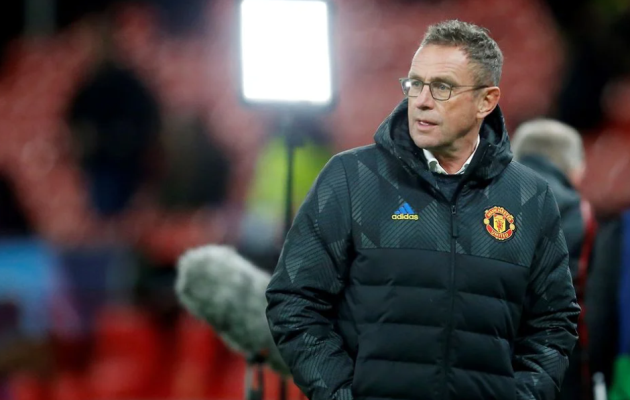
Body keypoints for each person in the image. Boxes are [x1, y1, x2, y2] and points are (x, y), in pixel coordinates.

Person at [265, 20, 580, 400]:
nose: (422, 100)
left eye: (442, 87)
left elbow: (554, 321)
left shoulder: (529, 196)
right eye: (415, 84)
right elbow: (294, 301)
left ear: (486, 100)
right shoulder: (351, 178)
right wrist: (339, 395)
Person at [512, 119, 595, 400]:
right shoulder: (576, 210)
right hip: (556, 360)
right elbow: (580, 295)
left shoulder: (484, 199)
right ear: (573, 165)